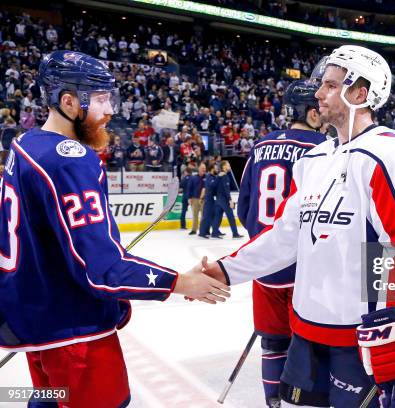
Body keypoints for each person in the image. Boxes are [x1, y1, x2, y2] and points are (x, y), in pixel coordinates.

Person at [202, 45, 395, 407]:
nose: (318, 93)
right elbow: (285, 236)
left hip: (362, 335)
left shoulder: (387, 153)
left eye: (329, 85)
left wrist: (393, 321)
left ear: (360, 93)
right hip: (306, 329)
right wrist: (224, 270)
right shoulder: (314, 158)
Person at [0, 50, 229, 408]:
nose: (111, 110)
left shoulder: (24, 144)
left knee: (48, 401)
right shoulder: (68, 159)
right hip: (77, 337)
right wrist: (181, 282)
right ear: (69, 101)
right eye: (102, 99)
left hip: (40, 330)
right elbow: (102, 269)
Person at [236, 79, 327, 407]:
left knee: (273, 344)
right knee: (308, 341)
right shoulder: (322, 147)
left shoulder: (260, 146)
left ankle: (273, 401)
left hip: (264, 266)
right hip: (306, 269)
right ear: (313, 113)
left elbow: (244, 206)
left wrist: (263, 247)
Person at [211, 160, 243, 239]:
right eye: (228, 165)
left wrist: (218, 177)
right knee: (231, 217)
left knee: (218, 217)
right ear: (224, 166)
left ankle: (214, 233)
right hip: (224, 200)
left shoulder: (219, 176)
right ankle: (235, 233)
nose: (229, 166)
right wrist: (230, 200)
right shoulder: (224, 176)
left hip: (218, 200)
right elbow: (226, 190)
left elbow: (213, 186)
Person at [198, 163, 220, 238]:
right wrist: (218, 178)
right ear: (212, 169)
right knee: (206, 216)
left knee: (212, 216)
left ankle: (208, 231)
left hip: (213, 199)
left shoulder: (214, 177)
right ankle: (202, 232)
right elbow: (212, 185)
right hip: (209, 199)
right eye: (216, 168)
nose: (217, 170)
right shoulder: (209, 177)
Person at [187, 162, 206, 235]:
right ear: (199, 169)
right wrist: (189, 198)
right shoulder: (193, 177)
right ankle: (194, 230)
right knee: (195, 215)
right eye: (202, 168)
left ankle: (202, 229)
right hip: (194, 199)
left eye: (204, 168)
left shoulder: (207, 177)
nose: (203, 169)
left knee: (203, 216)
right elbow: (189, 188)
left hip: (204, 200)